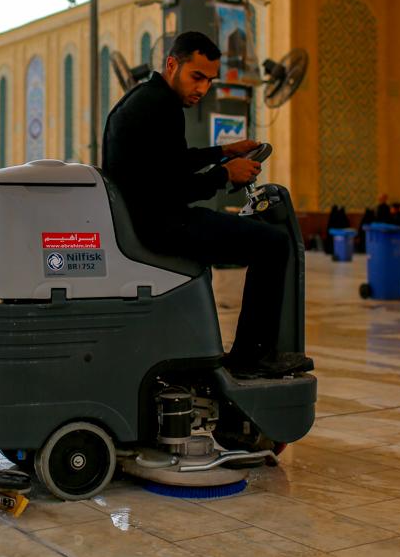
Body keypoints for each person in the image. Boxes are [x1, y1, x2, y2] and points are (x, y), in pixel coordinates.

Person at [104, 30, 308, 376]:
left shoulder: (145, 98)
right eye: (196, 77)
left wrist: (224, 152)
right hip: (160, 227)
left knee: (259, 241)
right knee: (273, 244)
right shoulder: (161, 106)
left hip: (146, 220)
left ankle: (248, 354)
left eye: (210, 81)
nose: (202, 89)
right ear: (172, 64)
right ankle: (251, 357)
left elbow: (171, 162)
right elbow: (175, 188)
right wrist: (226, 175)